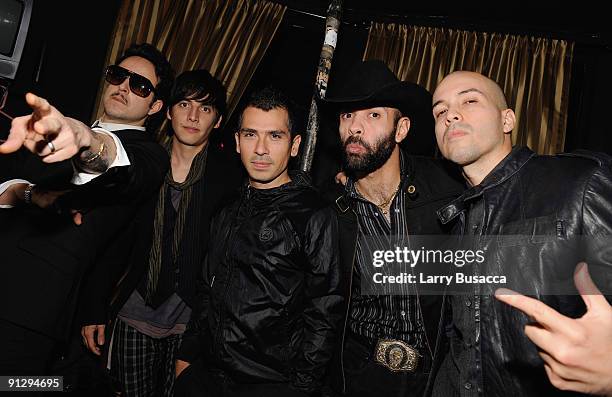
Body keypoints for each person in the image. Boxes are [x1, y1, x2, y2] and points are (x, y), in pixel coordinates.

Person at [430, 70, 612, 397]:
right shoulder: (455, 218)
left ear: (507, 120)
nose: (450, 114)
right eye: (439, 111)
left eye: (469, 100)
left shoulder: (579, 183)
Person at [0, 42, 174, 375]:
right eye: (118, 75)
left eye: (140, 85)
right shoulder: (54, 129)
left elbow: (114, 161)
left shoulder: (149, 155)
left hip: (28, 309)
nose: (124, 86)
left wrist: (85, 139)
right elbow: (7, 187)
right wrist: (30, 194)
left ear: (155, 106)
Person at [79, 69, 242, 397]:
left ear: (218, 121)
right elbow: (114, 241)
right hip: (133, 312)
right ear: (168, 111)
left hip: (190, 323)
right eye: (184, 104)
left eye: (205, 109)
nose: (193, 116)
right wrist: (94, 307)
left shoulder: (230, 179)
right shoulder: (144, 166)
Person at [173, 87, 344, 397]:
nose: (261, 149)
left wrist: (302, 389)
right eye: (251, 135)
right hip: (208, 375)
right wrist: (187, 355)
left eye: (275, 136)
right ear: (237, 142)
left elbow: (325, 310)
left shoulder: (314, 214)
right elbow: (206, 289)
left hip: (270, 383)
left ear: (294, 146)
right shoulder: (228, 206)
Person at [320, 60, 464, 397]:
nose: (355, 128)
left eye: (372, 115)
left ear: (400, 130)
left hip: (436, 375)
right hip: (358, 372)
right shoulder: (327, 209)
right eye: (347, 116)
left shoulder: (447, 191)